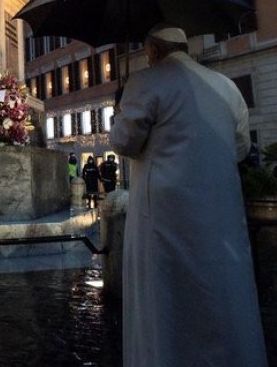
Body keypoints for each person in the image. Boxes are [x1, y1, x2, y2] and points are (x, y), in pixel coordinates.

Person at [111, 23, 266, 366]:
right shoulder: (226, 87)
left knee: (165, 305)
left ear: (152, 50)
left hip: (164, 218)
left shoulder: (144, 81)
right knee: (223, 294)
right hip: (220, 214)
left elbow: (123, 142)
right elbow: (240, 148)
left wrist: (117, 115)